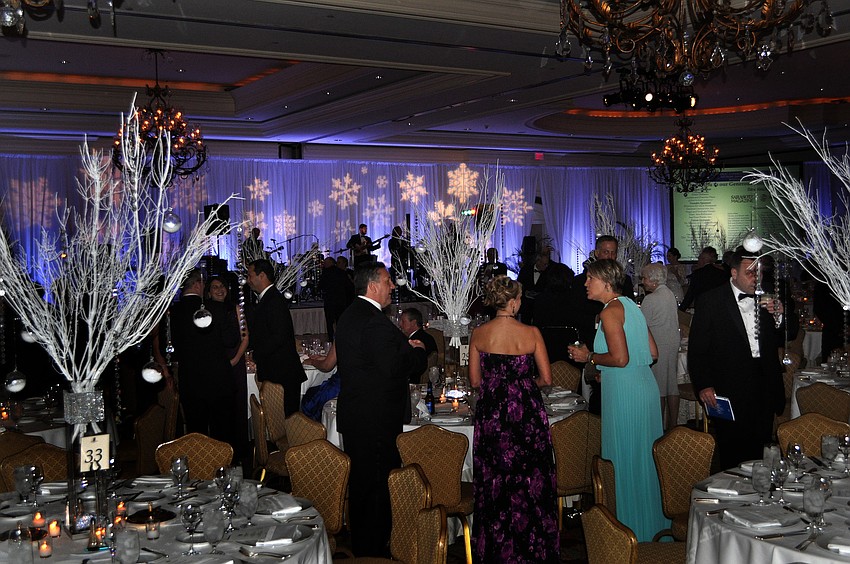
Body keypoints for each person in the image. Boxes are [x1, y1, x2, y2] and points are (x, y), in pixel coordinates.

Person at [568, 259, 667, 543]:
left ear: (606, 282)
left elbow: (620, 358)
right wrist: (606, 371)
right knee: (643, 458)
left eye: (590, 278)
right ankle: (650, 530)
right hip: (643, 388)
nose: (586, 283)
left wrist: (589, 357)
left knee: (623, 458)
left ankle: (626, 534)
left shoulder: (610, 311)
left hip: (625, 395)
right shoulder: (632, 307)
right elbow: (652, 352)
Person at [335, 262, 428, 557]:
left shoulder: (350, 315)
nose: (392, 286)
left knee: (364, 486)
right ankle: (373, 552)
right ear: (373, 286)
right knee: (375, 488)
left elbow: (376, 359)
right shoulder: (373, 321)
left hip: (360, 414)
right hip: (375, 418)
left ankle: (366, 545)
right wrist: (417, 354)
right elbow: (393, 367)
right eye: (388, 281)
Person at [469, 275, 559, 562]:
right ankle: (533, 549)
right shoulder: (531, 333)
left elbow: (474, 381)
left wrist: (499, 384)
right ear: (514, 302)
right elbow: (546, 378)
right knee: (530, 480)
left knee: (496, 481)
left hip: (492, 415)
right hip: (525, 415)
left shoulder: (480, 334)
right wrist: (521, 384)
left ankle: (497, 551)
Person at [688, 247, 788, 469]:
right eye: (750, 272)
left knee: (762, 451)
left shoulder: (769, 295)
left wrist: (779, 316)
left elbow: (781, 337)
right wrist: (704, 385)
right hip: (729, 388)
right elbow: (697, 350)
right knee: (733, 454)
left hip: (764, 386)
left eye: (759, 272)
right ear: (733, 273)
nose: (756, 277)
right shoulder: (711, 300)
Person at [169, 269, 237, 446]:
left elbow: (169, 348)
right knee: (221, 431)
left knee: (195, 431)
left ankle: (199, 469)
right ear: (199, 284)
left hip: (190, 380)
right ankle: (221, 469)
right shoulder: (213, 308)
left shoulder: (171, 313)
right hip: (217, 380)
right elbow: (231, 341)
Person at [570, 235, 634, 414]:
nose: (610, 257)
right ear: (597, 253)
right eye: (606, 252)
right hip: (591, 339)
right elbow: (575, 313)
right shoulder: (580, 282)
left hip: (618, 348)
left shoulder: (624, 282)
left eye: (613, 253)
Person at [246, 258, 307, 416]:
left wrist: (256, 354)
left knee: (286, 423)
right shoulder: (268, 298)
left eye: (250, 275)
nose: (248, 280)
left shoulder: (273, 300)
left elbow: (278, 337)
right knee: (277, 422)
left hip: (282, 373)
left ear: (262, 276)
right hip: (278, 371)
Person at [206, 275, 250, 457]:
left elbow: (245, 337)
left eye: (221, 286)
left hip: (235, 360)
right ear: (208, 292)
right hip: (216, 364)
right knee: (218, 408)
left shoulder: (236, 309)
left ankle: (239, 452)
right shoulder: (205, 312)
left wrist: (236, 359)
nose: (219, 289)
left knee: (237, 406)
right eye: (214, 287)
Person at [640, 263, 681, 431]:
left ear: (653, 280)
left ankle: (658, 427)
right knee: (671, 384)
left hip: (658, 344)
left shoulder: (651, 299)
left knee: (659, 387)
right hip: (672, 341)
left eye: (644, 278)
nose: (642, 282)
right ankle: (673, 425)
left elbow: (641, 325)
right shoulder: (669, 293)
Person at [533, 262, 577, 363]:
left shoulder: (540, 300)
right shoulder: (574, 299)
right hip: (570, 350)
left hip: (546, 349)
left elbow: (537, 325)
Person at [679, 246, 728, 311]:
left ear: (704, 259)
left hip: (702, 308)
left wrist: (681, 309)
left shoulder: (698, 274)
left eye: (699, 258)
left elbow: (690, 294)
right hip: (718, 308)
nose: (698, 260)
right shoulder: (722, 273)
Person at [318, 256, 354, 342]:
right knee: (340, 321)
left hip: (330, 300)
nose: (324, 265)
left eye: (326, 263)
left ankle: (331, 339)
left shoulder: (325, 273)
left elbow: (320, 286)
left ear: (330, 263)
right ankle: (341, 339)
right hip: (341, 300)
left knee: (329, 322)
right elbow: (349, 287)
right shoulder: (341, 272)